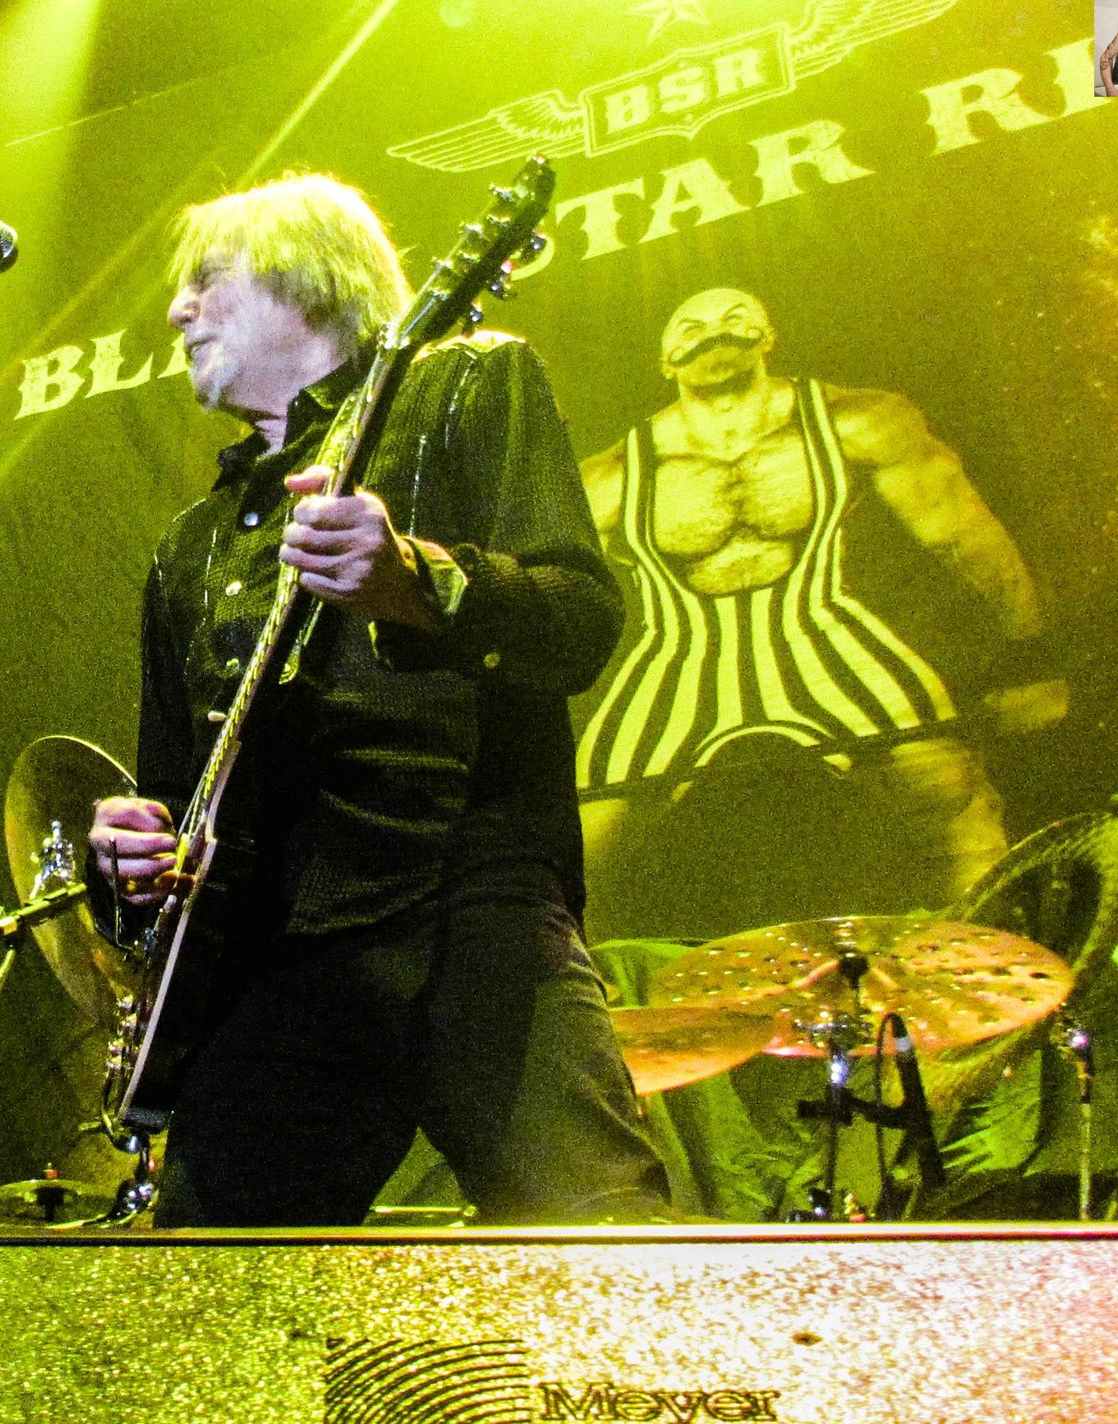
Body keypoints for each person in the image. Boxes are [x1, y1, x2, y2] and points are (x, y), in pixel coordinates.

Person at [86, 173, 670, 1228]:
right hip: (275, 961)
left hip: (466, 894)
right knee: (197, 1303)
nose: (177, 310)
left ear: (308, 278)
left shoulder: (464, 386)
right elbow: (173, 795)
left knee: (607, 1248)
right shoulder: (187, 549)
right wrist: (131, 852)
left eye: (205, 279)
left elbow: (582, 619)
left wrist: (421, 580)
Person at [573, 288, 1060, 927]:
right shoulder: (610, 474)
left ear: (767, 334)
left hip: (821, 630)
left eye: (733, 319)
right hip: (682, 656)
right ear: (667, 360)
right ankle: (574, 1010)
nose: (713, 335)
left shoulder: (854, 420)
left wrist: (1030, 654)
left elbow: (960, 533)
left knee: (952, 798)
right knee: (575, 847)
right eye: (691, 327)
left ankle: (1007, 979)